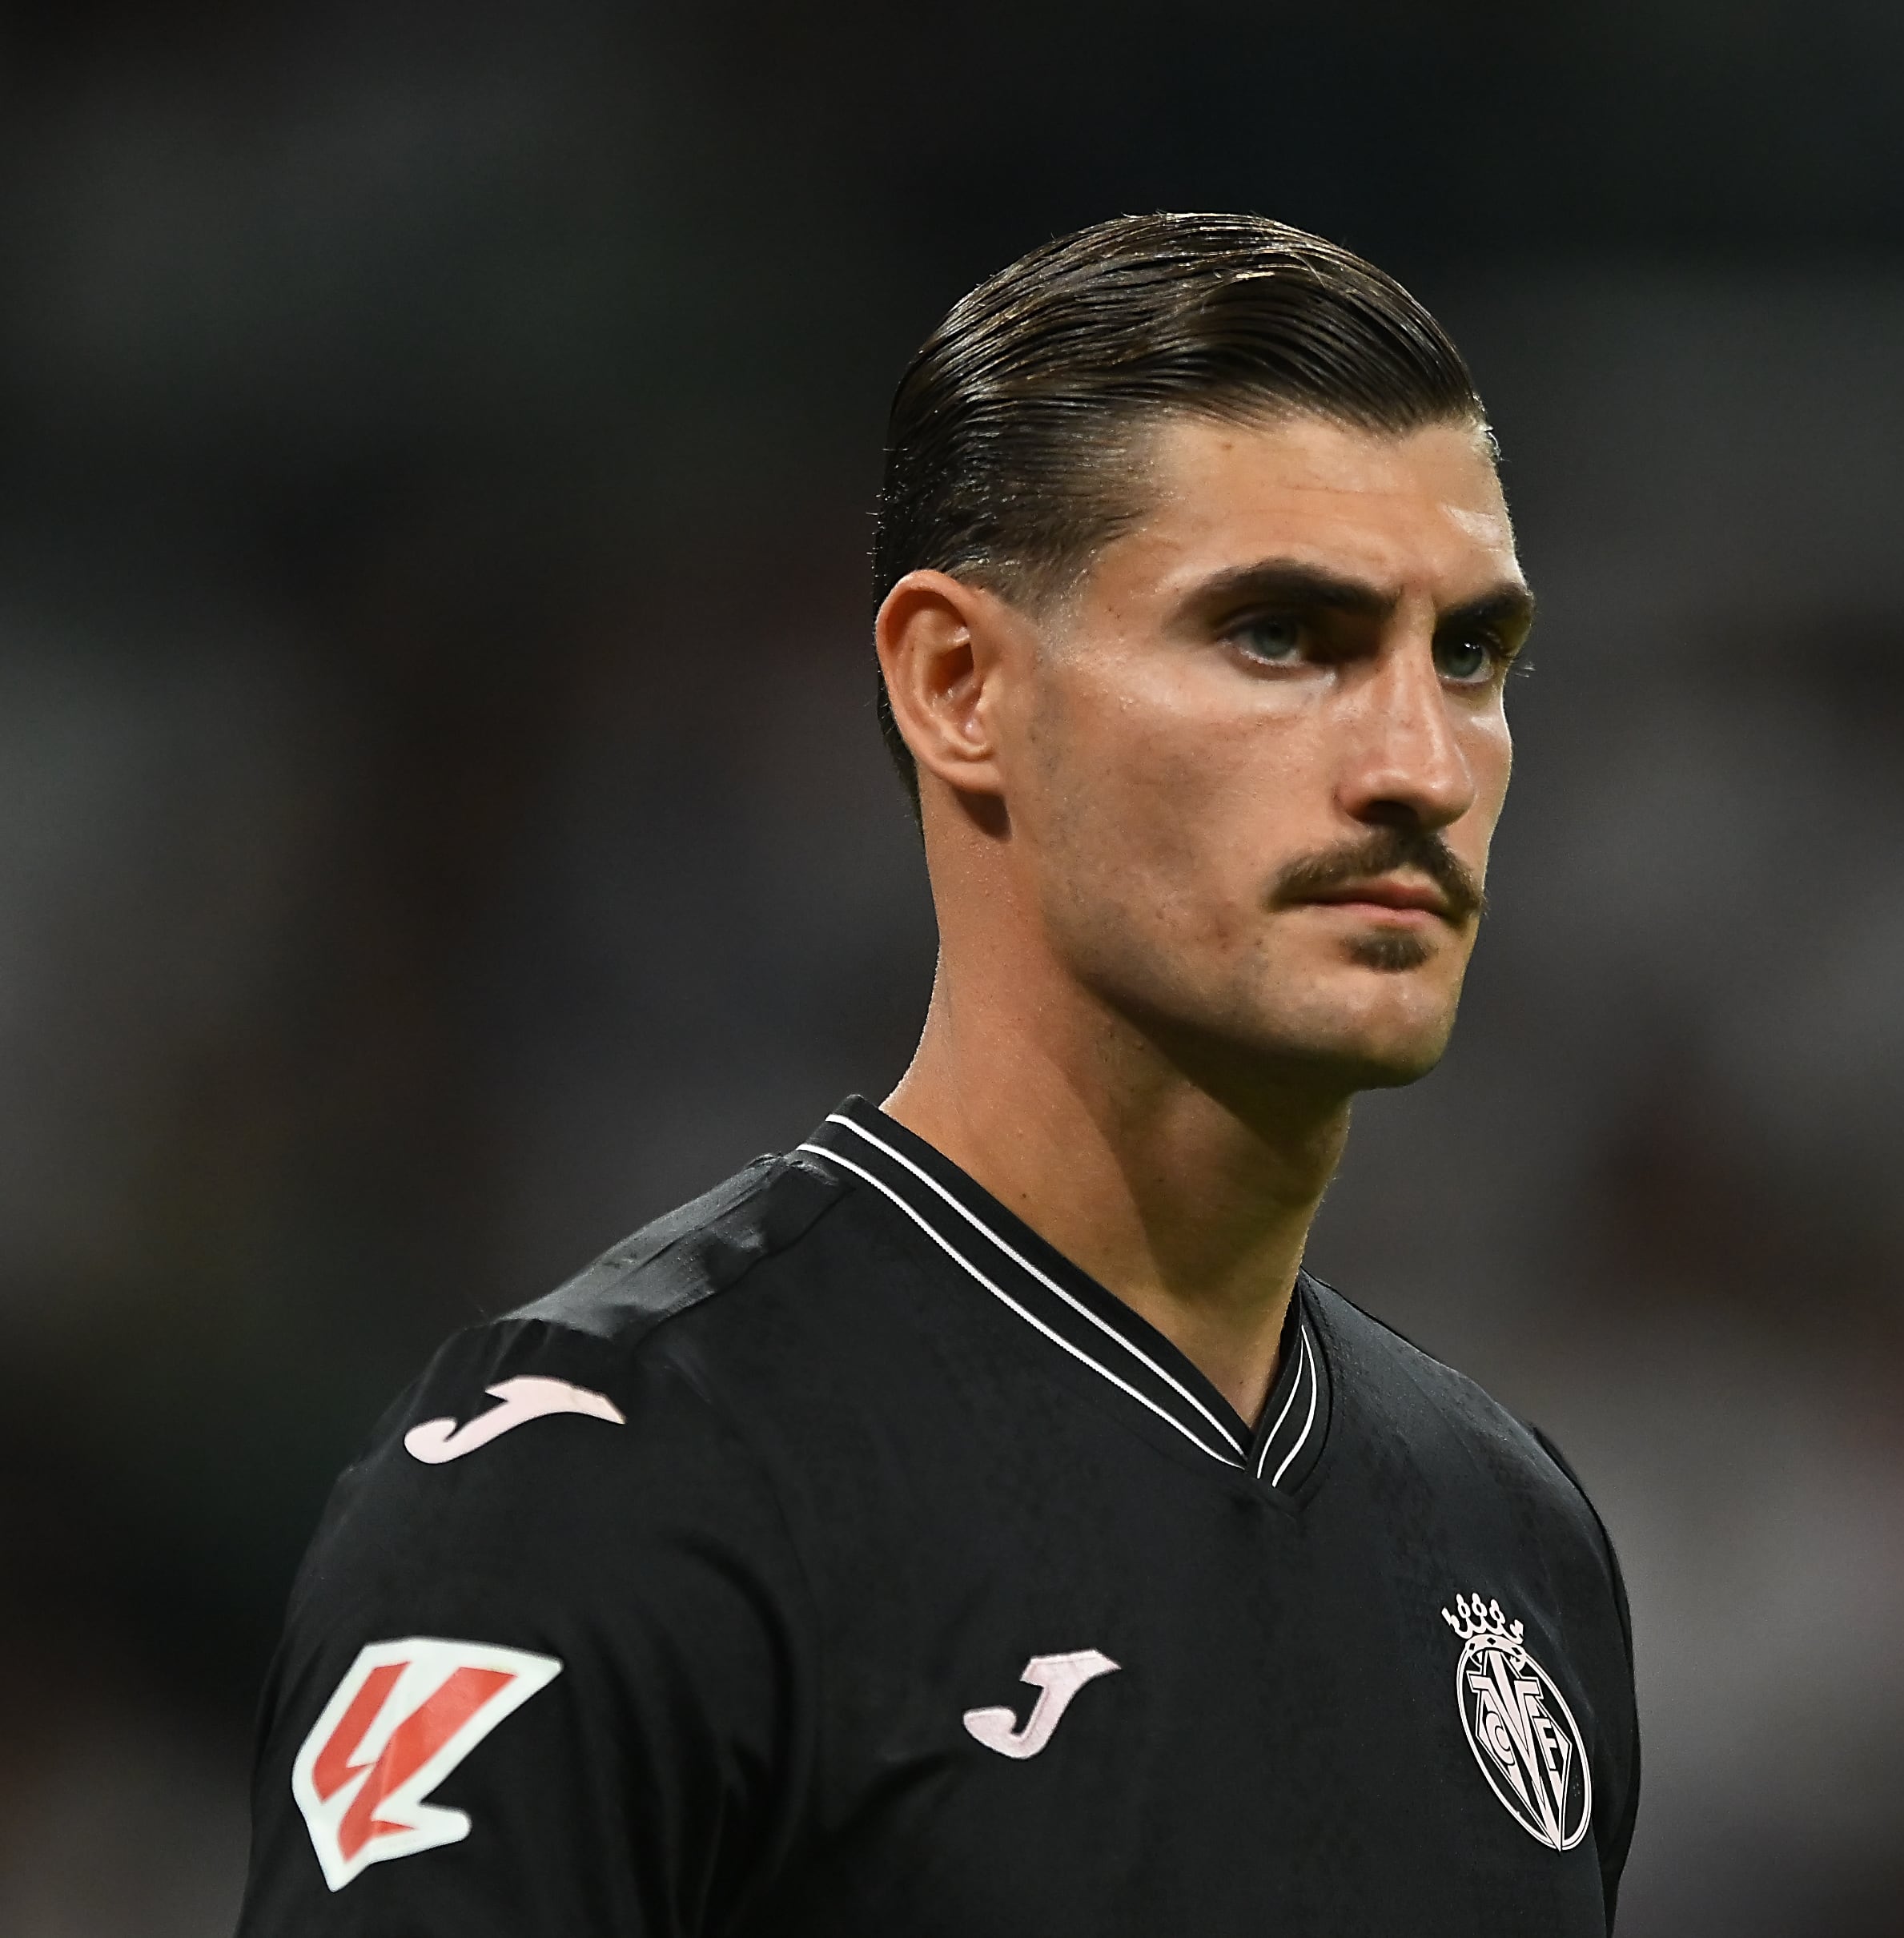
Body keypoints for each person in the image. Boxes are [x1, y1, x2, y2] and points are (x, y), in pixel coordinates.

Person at [234, 212, 1638, 1936]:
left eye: (1472, 654)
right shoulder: (598, 1488)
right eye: (1283, 636)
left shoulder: (1507, 1538)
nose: (1419, 762)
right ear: (958, 683)